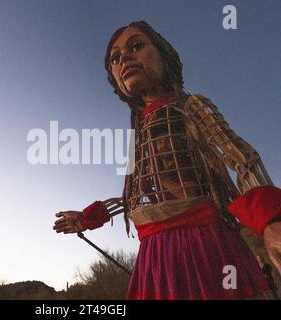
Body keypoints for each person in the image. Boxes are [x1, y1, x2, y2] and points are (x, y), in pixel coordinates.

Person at [53, 21, 281, 300]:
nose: (124, 58)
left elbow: (240, 158)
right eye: (115, 57)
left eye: (136, 46)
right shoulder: (138, 137)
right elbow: (134, 198)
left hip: (204, 243)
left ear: (164, 55)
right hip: (155, 257)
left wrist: (272, 219)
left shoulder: (190, 106)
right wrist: (89, 218)